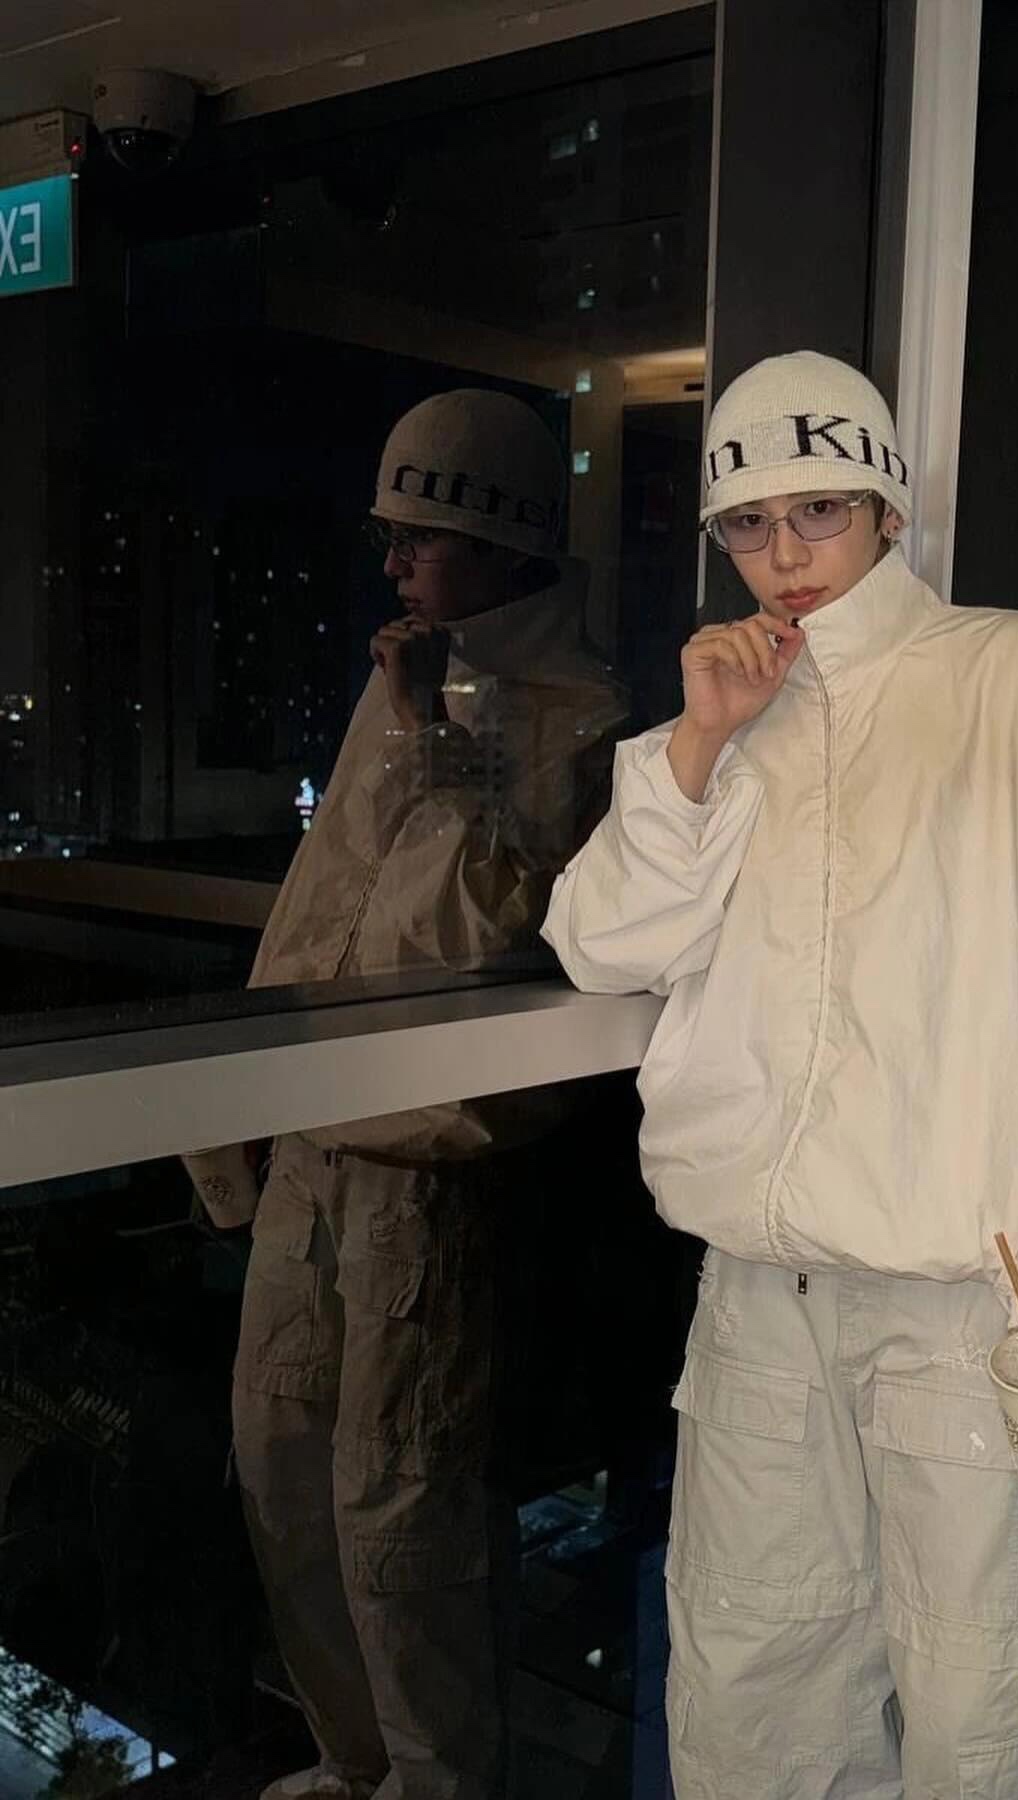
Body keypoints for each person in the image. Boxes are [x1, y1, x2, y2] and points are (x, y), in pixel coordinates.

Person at [541, 351, 1018, 1796]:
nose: (785, 556)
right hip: (758, 1309)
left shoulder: (1010, 674)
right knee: (752, 1714)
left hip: (972, 1308)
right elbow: (600, 945)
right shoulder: (724, 718)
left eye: (819, 511)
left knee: (994, 1723)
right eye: (749, 524)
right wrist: (699, 746)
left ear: (889, 508)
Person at [186, 388, 628, 1800]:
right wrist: (237, 1104)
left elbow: (491, 930)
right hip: (317, 1138)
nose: (393, 567)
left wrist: (430, 732)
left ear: (501, 545)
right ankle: (352, 1757)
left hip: (429, 1173)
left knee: (403, 1509)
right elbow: (322, 901)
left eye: (416, 540)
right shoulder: (405, 683)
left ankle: (434, 1783)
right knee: (279, 1462)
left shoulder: (582, 718)